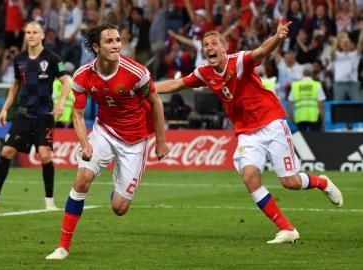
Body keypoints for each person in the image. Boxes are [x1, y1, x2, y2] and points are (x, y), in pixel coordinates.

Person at [155, 20, 344, 244]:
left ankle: (321, 182)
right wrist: (147, 89)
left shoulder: (240, 61)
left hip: (272, 123)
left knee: (290, 182)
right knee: (250, 178)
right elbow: (177, 85)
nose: (209, 48)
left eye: (214, 43)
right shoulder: (204, 73)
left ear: (225, 47)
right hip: (247, 133)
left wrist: (278, 37)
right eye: (205, 45)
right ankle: (287, 229)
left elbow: (262, 50)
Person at [45, 23, 169, 260]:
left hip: (135, 141)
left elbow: (155, 102)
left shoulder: (136, 72)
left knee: (119, 208)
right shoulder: (82, 76)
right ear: (96, 47)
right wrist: (85, 145)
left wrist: (161, 141)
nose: (116, 45)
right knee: (81, 181)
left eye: (118, 40)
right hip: (105, 131)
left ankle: (118, 192)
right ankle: (63, 247)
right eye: (110, 41)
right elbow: (78, 116)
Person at [0, 21, 70, 210]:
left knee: (44, 155)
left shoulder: (52, 58)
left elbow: (66, 82)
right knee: (6, 152)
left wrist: (60, 103)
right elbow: (15, 87)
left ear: (42, 35)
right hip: (24, 114)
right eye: (28, 32)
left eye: (35, 32)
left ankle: (49, 202)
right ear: (25, 36)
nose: (31, 35)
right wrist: (4, 109)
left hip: (44, 115)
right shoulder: (19, 59)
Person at [287, 65, 326, 131]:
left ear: (302, 73)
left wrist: (291, 118)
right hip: (314, 118)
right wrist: (322, 120)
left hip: (300, 118)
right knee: (314, 140)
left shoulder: (295, 85)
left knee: (302, 140)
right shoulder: (317, 85)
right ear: (312, 73)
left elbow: (289, 105)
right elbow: (321, 105)